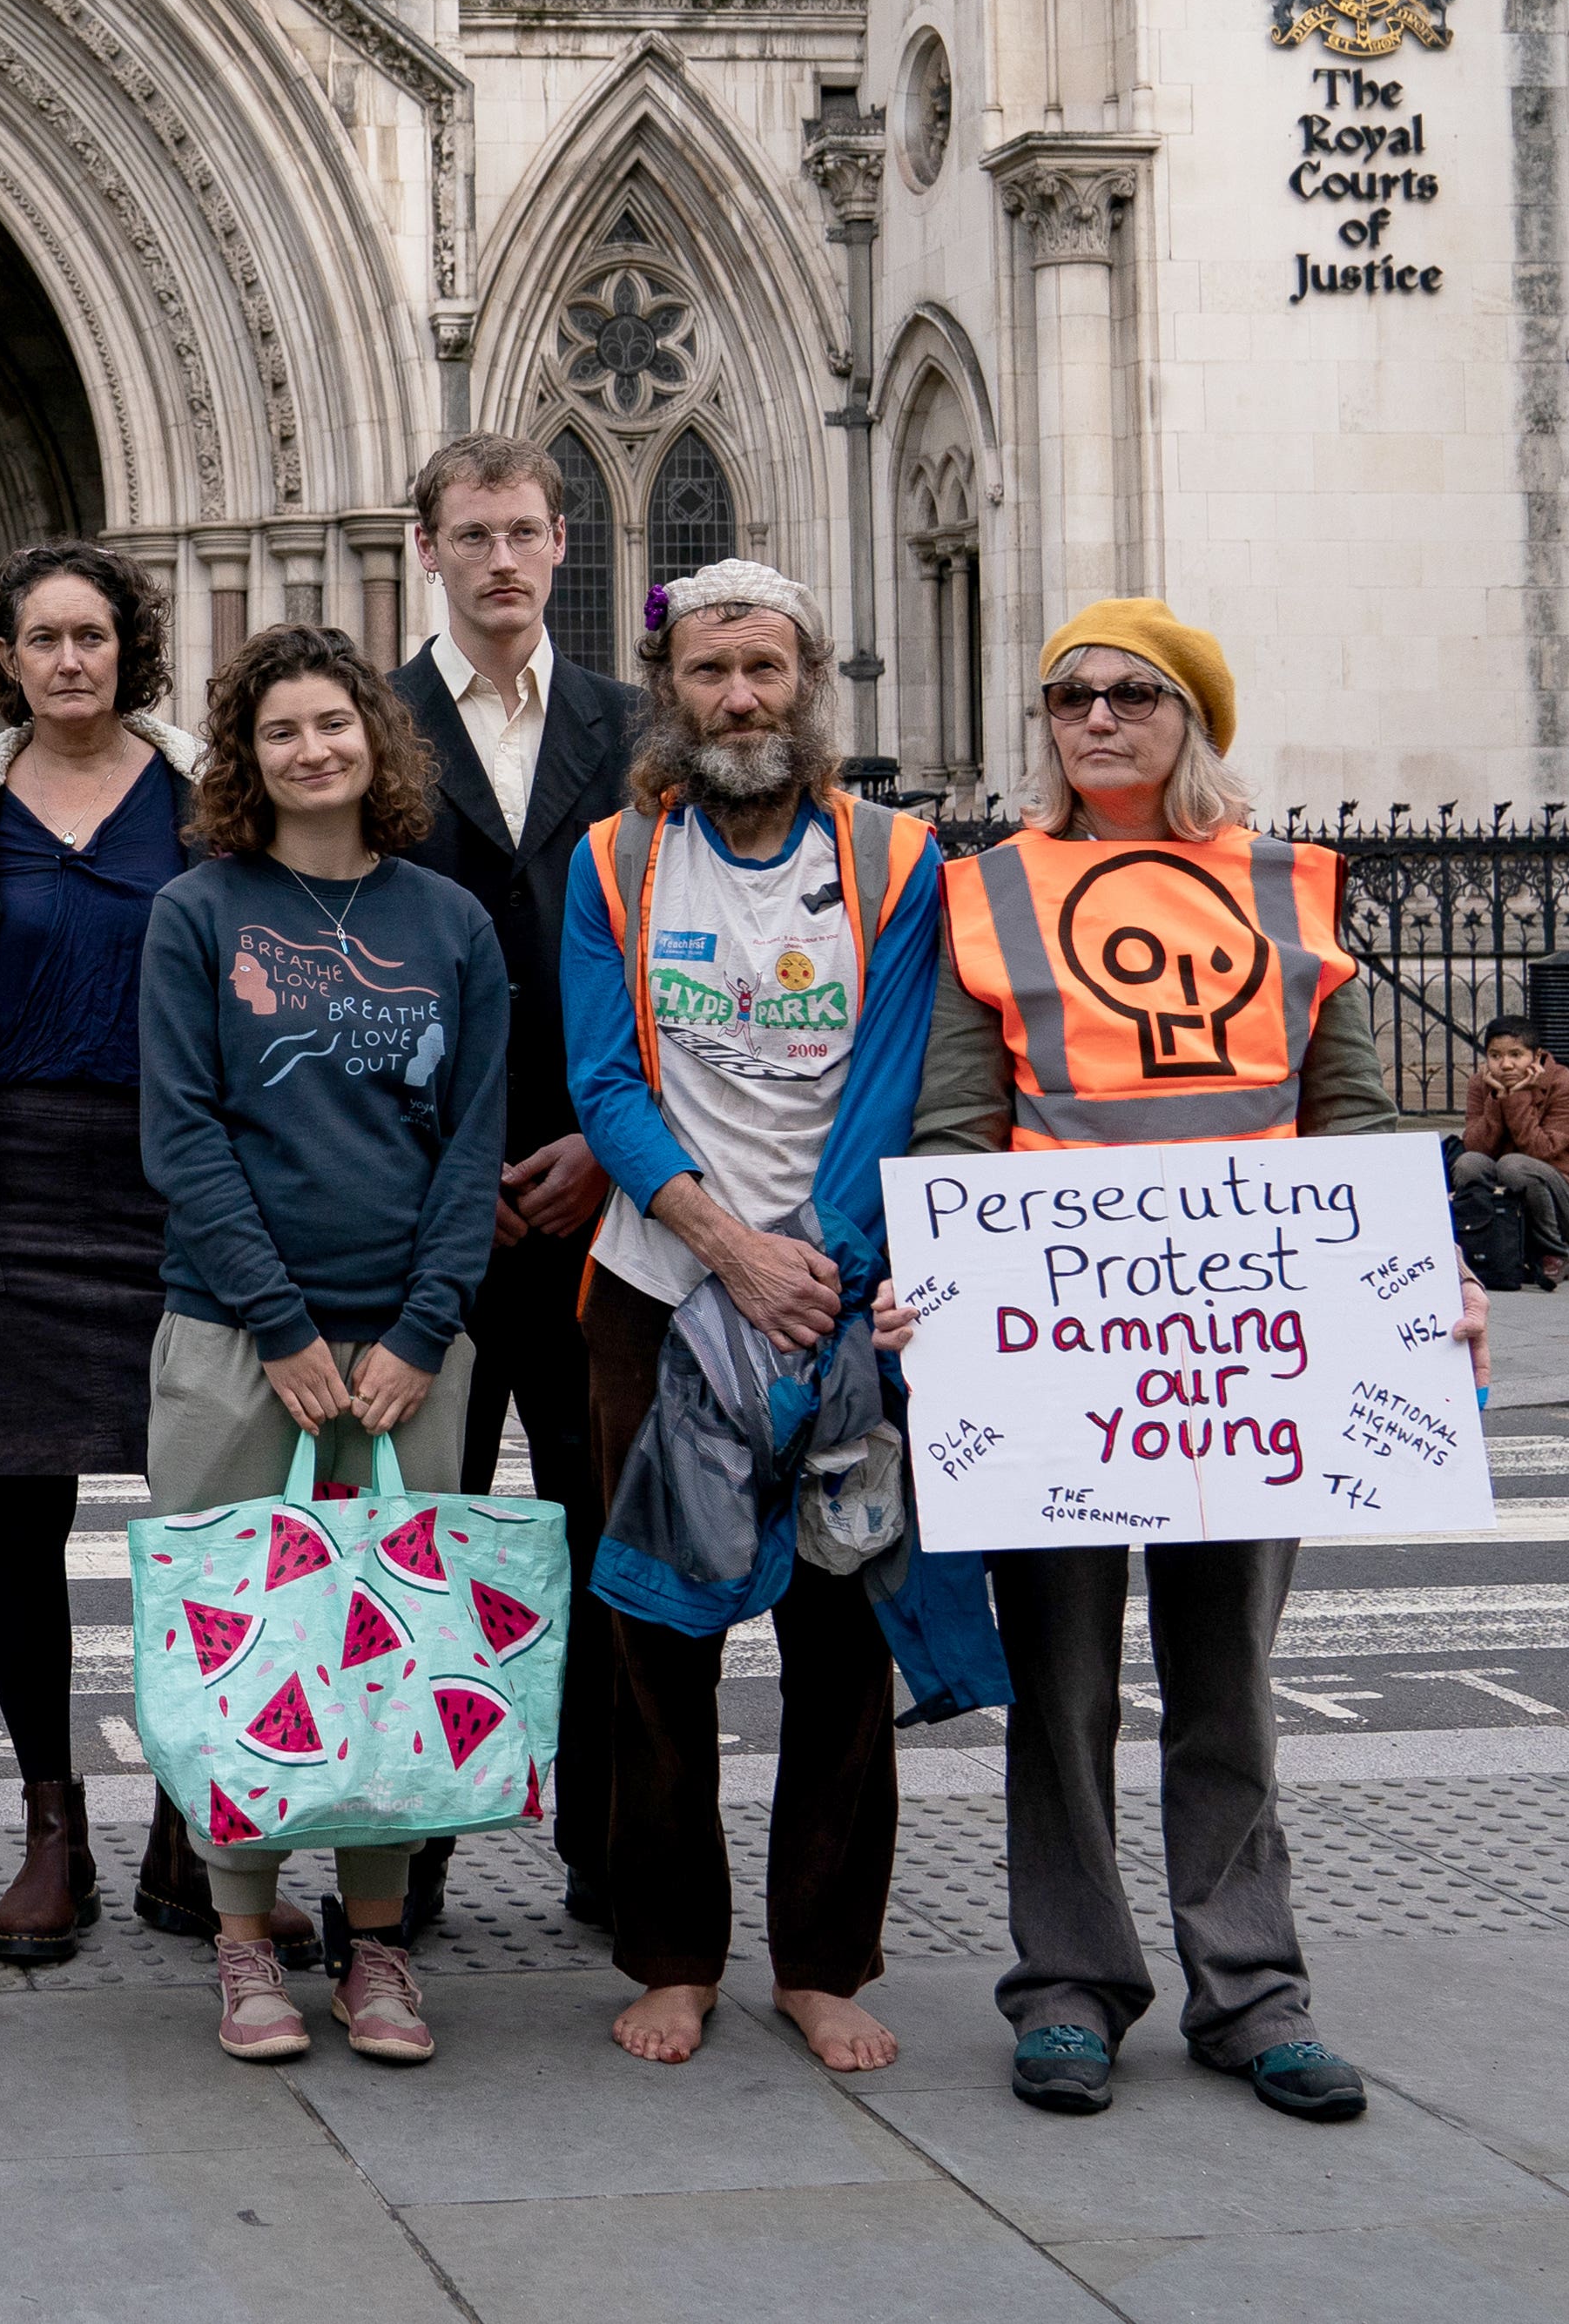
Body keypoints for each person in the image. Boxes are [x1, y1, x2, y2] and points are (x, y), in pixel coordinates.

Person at [892, 598, 1484, 2127]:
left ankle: (1251, 1988)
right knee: (1062, 1689)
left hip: (1249, 1352)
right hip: (1056, 1356)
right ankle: (1070, 1990)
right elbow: (960, 1123)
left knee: (1226, 1682)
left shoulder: (1285, 889)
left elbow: (1345, 1117)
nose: (1096, 720)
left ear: (1188, 719)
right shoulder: (991, 893)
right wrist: (935, 1283)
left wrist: (1429, 1276)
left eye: (1131, 696)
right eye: (1070, 697)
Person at [561, 560, 953, 2078]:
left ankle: (818, 1959)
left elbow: (896, 1079)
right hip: (660, 1294)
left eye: (765, 669)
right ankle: (670, 1952)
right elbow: (604, 1081)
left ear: (807, 685)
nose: (737, 697)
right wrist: (725, 1245)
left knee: (838, 1631)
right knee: (654, 1636)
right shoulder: (611, 861)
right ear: (670, 690)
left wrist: (820, 1269)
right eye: (710, 670)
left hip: (840, 1301)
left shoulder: (896, 860)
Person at [143, 623, 508, 2065]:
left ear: (376, 738)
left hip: (410, 1347)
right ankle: (241, 1944)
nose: (312, 748)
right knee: (244, 1644)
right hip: (235, 1334)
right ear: (246, 756)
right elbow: (181, 1129)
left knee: (392, 1648)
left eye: (333, 722)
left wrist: (422, 1324)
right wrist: (279, 1324)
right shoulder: (197, 911)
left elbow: (470, 1135)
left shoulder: (449, 923)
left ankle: (377, 1949)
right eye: (280, 729)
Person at [0, 539, 210, 1964]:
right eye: (40, 638)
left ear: (126, 647)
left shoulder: (208, 795)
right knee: (20, 1521)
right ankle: (49, 1825)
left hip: (174, 1186)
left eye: (89, 634)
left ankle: (196, 1826)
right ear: (2, 657)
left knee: (199, 1518)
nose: (67, 658)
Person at [385, 432, 642, 1930]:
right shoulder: (375, 723)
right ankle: (402, 1853)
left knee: (600, 1532)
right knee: (420, 1542)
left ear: (559, 545)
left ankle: (605, 1839)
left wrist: (610, 1142)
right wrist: (438, 1167)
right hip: (428, 1213)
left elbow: (679, 953)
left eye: (524, 531)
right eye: (472, 532)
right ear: (425, 547)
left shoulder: (627, 722)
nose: (500, 558)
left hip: (601, 1202)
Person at [1456, 1017, 1569, 1290]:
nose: (1506, 1065)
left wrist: (1517, 1097)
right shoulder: (1481, 1084)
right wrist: (1497, 1100)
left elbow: (1541, 1150)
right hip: (1511, 1202)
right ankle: (1483, 1244)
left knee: (1515, 1165)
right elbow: (1476, 1146)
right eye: (1495, 1056)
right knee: (1468, 1163)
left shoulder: (1568, 1087)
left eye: (1516, 1055)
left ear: (1536, 1056)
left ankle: (1555, 1253)